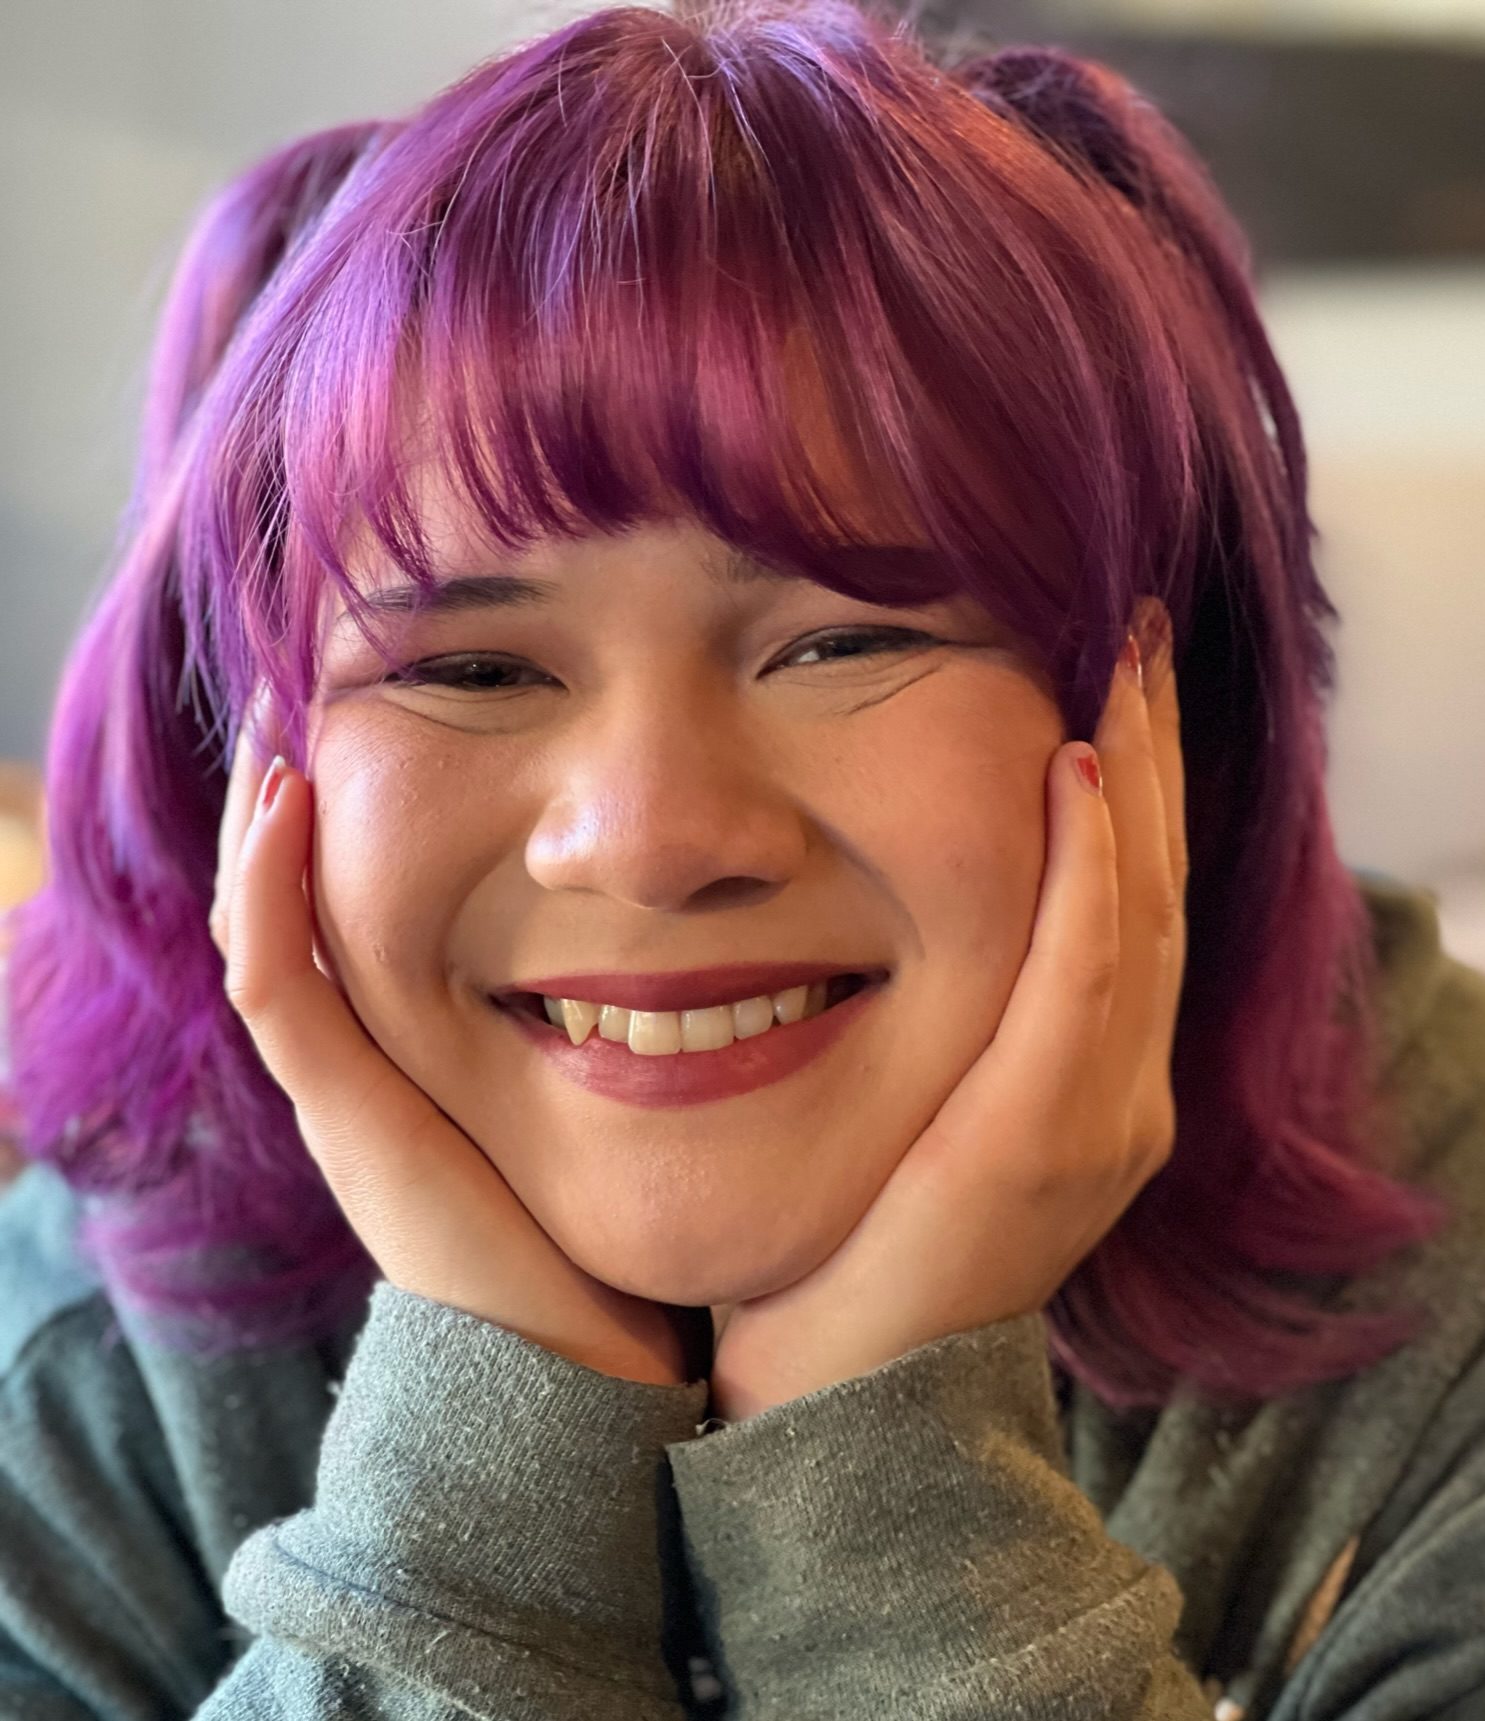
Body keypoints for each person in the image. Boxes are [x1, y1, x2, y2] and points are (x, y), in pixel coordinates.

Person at [1, 0, 1482, 1715]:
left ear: (1172, 715)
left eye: (843, 639)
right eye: (471, 669)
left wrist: (902, 1501)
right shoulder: (82, 1368)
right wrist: (480, 1515)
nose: (649, 841)